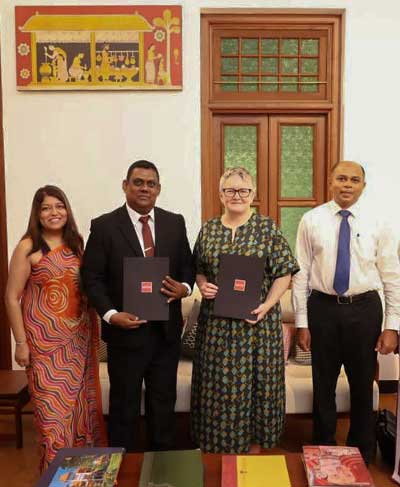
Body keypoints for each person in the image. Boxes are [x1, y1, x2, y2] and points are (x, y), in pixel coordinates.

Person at [81, 159, 194, 451]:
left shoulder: (174, 222)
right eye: (138, 182)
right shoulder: (104, 226)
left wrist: (185, 288)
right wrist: (110, 314)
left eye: (151, 183)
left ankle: (162, 473)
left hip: (165, 336)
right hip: (124, 336)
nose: (145, 188)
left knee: (163, 407)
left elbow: (188, 267)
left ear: (159, 189)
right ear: (125, 186)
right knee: (124, 410)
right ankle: (124, 472)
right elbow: (92, 278)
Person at [292, 160, 400, 464]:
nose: (347, 184)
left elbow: (392, 274)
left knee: (363, 383)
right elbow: (301, 273)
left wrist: (392, 326)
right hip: (322, 309)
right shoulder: (311, 220)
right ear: (330, 182)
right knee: (323, 383)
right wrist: (302, 322)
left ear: (363, 185)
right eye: (341, 178)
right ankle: (323, 448)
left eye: (354, 179)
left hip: (365, 309)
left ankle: (362, 451)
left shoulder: (380, 222)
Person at [190, 166, 299, 453]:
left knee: (257, 387)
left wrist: (267, 305)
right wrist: (203, 285)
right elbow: (198, 270)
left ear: (253, 194)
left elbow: (284, 273)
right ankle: (215, 444)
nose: (236, 195)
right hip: (217, 327)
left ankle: (254, 445)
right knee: (218, 387)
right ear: (221, 194)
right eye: (230, 190)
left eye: (243, 190)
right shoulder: (209, 229)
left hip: (257, 325)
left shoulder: (267, 228)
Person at [5, 185, 105, 472]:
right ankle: (56, 476)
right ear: (37, 213)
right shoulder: (28, 247)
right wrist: (20, 342)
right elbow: (12, 297)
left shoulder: (77, 244)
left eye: (59, 206)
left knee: (79, 413)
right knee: (52, 419)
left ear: (67, 210)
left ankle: (82, 475)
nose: (54, 213)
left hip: (78, 341)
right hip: (43, 345)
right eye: (46, 207)